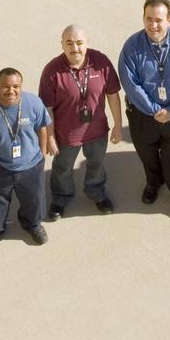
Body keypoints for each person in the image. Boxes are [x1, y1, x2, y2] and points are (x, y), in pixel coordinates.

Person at [118, 0, 170, 224]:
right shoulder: (132, 46)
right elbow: (130, 82)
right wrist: (154, 109)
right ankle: (154, 183)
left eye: (159, 20)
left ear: (169, 20)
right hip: (144, 114)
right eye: (149, 19)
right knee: (148, 153)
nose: (153, 25)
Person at [38, 25, 121, 219]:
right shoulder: (52, 71)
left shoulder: (101, 62)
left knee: (96, 163)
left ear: (87, 42)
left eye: (79, 42)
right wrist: (50, 137)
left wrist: (118, 124)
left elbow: (112, 94)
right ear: (62, 45)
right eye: (69, 43)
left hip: (97, 130)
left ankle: (96, 192)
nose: (75, 48)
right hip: (66, 134)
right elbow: (47, 108)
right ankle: (60, 198)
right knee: (62, 168)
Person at [0, 68, 52, 252]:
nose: (11, 91)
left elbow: (42, 128)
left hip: (31, 165)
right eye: (5, 86)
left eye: (16, 86)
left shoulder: (33, 103)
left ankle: (33, 224)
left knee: (34, 199)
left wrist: (42, 153)